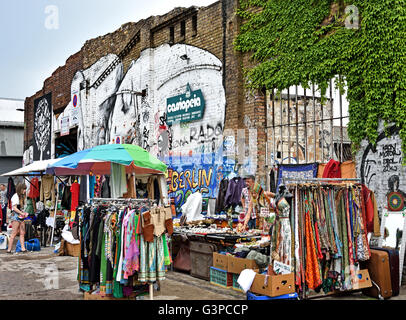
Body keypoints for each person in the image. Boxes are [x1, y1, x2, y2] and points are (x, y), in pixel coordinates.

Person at [7, 183, 29, 253]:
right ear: (21, 189)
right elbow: (14, 208)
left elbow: (21, 208)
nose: (25, 191)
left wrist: (25, 213)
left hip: (21, 216)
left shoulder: (22, 197)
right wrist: (22, 213)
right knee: (14, 233)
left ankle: (23, 248)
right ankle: (9, 249)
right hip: (16, 216)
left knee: (22, 233)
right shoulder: (15, 196)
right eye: (24, 189)